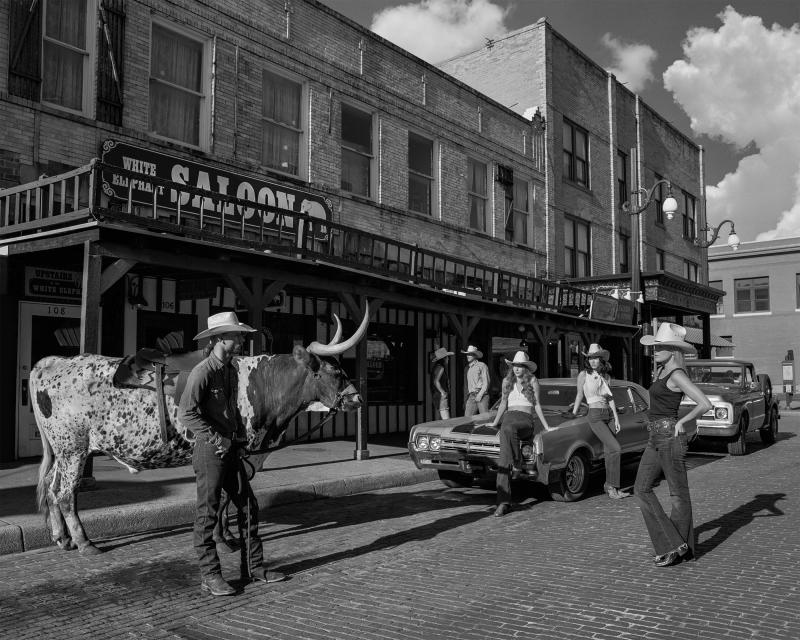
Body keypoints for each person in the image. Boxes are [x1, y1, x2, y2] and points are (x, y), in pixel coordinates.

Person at [179, 311, 286, 596]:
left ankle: (254, 568)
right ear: (219, 339)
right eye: (236, 335)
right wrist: (217, 439)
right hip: (209, 452)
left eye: (240, 335)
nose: (241, 339)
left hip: (230, 449)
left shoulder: (230, 370)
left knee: (248, 507)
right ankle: (210, 575)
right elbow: (186, 414)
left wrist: (237, 438)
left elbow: (232, 411)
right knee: (208, 514)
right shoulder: (203, 372)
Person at [634, 323, 712, 567]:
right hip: (654, 437)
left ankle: (678, 548)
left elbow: (704, 403)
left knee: (678, 495)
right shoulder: (660, 372)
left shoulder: (677, 374)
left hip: (670, 436)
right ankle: (673, 543)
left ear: (673, 349)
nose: (655, 351)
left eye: (661, 347)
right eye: (655, 347)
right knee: (640, 489)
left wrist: (684, 422)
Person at [488, 351, 552, 517]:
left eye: (520, 366)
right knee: (503, 459)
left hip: (525, 421)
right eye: (514, 366)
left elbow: (537, 405)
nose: (517, 369)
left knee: (507, 430)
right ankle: (503, 502)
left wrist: (546, 426)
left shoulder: (532, 381)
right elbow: (503, 404)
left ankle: (515, 463)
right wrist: (495, 422)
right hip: (509, 418)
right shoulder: (506, 381)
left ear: (525, 368)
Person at [570, 344, 630, 499]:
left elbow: (610, 398)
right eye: (590, 358)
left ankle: (612, 487)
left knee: (610, 451)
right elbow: (578, 395)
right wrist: (574, 413)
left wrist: (616, 418)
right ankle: (611, 487)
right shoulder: (583, 375)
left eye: (595, 358)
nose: (593, 361)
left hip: (608, 414)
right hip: (595, 414)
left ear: (601, 359)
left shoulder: (607, 376)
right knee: (616, 448)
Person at [462, 344, 491, 416]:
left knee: (485, 419)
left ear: (475, 355)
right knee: (467, 420)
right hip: (471, 396)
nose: (468, 356)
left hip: (482, 395)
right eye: (467, 354)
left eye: (470, 354)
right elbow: (466, 385)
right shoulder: (467, 368)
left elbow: (486, 382)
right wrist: (465, 399)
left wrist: (480, 394)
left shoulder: (482, 365)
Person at [430, 347, 454, 419]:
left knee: (438, 420)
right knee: (446, 420)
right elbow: (436, 381)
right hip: (441, 396)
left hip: (436, 395)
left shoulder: (436, 367)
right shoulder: (441, 368)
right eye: (447, 357)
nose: (448, 359)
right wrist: (443, 392)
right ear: (443, 359)